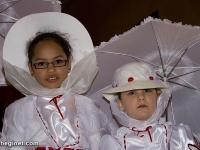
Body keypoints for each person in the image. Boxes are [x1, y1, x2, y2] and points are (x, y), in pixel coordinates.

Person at [0, 12, 107, 150]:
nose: (51, 69)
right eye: (42, 63)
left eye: (58, 61)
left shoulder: (87, 106)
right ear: (31, 68)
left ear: (69, 63)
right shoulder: (19, 110)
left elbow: (99, 143)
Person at [99, 62, 200, 150]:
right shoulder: (115, 145)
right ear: (119, 103)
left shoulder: (180, 135)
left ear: (158, 97)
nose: (141, 97)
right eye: (132, 93)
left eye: (147, 90)